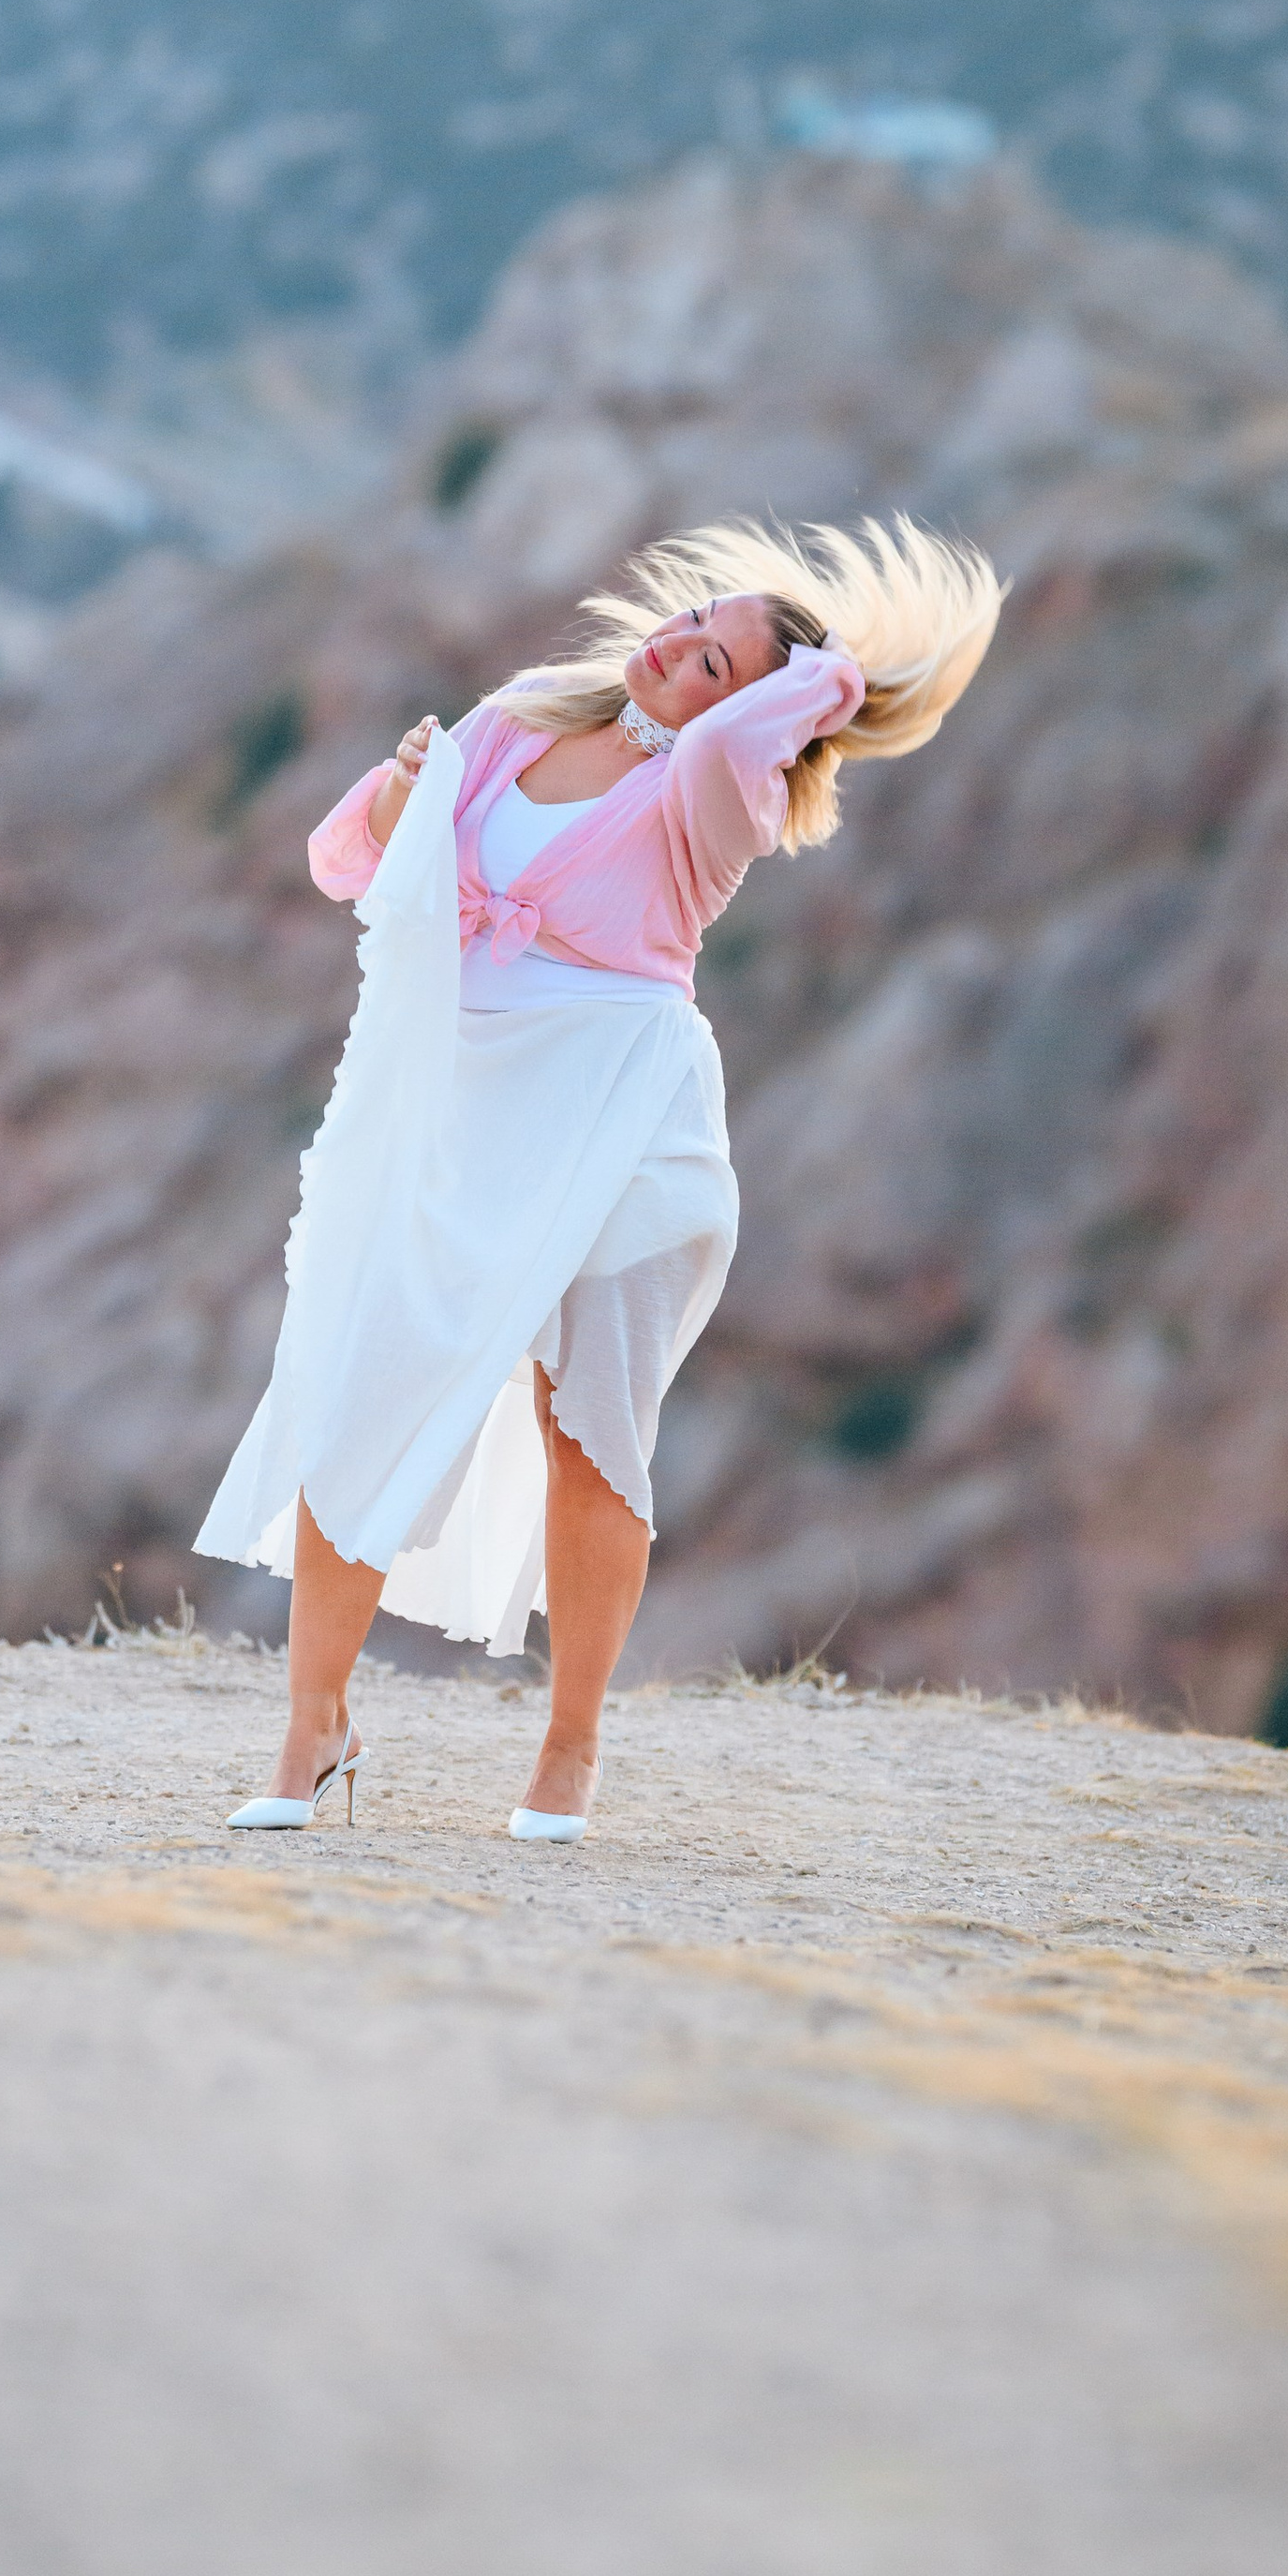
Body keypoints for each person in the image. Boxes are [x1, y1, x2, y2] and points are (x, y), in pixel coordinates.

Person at [196, 514, 1002, 1842]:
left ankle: (569, 1752)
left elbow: (747, 736)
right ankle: (312, 1731)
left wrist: (830, 680)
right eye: (688, 624)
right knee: (361, 1391)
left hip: (627, 1122)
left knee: (591, 1434)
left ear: (760, 722)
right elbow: (346, 868)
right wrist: (407, 806)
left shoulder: (717, 799)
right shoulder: (514, 722)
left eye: (711, 659)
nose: (674, 642)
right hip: (464, 1108)